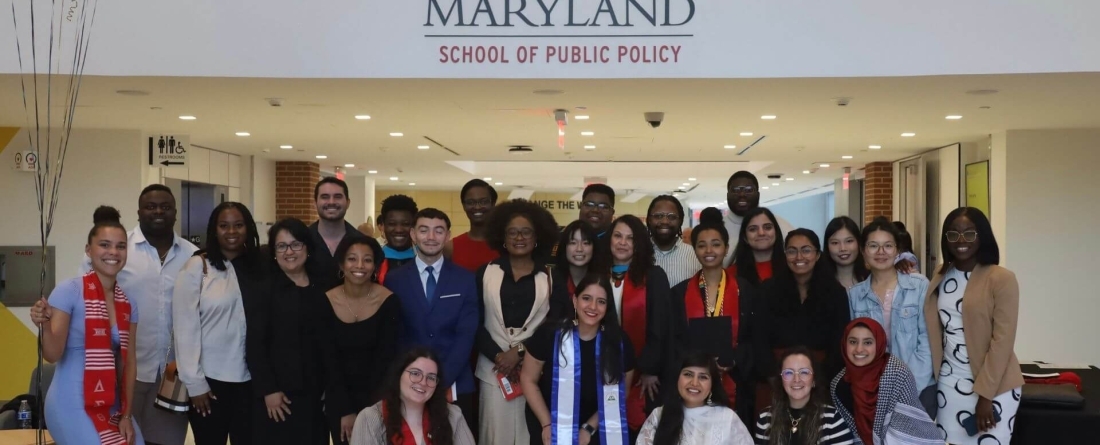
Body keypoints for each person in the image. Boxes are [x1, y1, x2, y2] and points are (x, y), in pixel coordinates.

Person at [79, 185, 196, 445]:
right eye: (150, 206)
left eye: (165, 207)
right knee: (120, 440)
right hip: (121, 369)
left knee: (167, 441)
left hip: (173, 373)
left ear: (175, 213)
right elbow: (85, 295)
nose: (158, 212)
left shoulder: (192, 255)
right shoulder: (119, 250)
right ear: (139, 211)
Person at [32, 206, 144, 445]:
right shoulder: (69, 290)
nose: (113, 252)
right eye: (104, 244)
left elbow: (129, 362)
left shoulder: (129, 303)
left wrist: (126, 414)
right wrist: (42, 324)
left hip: (110, 400)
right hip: (69, 401)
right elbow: (52, 355)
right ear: (88, 250)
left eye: (120, 246)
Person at [925, 207, 1023, 444]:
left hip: (994, 386)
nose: (961, 241)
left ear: (982, 236)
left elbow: (1002, 341)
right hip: (949, 382)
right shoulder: (941, 274)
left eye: (969, 234)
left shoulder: (1001, 278)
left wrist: (985, 396)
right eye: (953, 234)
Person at [474, 199, 564, 445]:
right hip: (493, 369)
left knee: (530, 434)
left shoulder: (551, 275)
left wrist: (520, 352)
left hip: (535, 370)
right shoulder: (486, 272)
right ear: (502, 236)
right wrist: (499, 356)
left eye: (526, 232)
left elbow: (554, 322)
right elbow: (475, 321)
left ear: (537, 237)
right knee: (494, 436)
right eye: (512, 232)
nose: (519, 237)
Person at [173, 202, 261, 445]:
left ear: (248, 228)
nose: (231, 231)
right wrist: (195, 383)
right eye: (224, 226)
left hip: (252, 382)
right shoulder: (197, 267)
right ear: (214, 229)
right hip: (210, 383)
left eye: (238, 225)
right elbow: (184, 329)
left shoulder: (259, 267)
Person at [386, 208, 480, 432]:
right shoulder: (394, 279)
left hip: (456, 383)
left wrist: (438, 380)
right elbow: (395, 335)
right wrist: (417, 379)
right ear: (413, 234)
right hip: (409, 384)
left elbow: (466, 335)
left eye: (438, 231)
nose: (431, 237)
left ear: (447, 235)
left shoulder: (465, 279)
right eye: (424, 230)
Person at [520, 274, 637, 445]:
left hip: (598, 425)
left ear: (607, 307)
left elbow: (621, 393)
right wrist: (547, 423)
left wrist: (589, 428)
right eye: (586, 298)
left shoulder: (619, 342)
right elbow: (528, 379)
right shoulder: (548, 334)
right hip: (549, 422)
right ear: (575, 301)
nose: (593, 307)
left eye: (601, 302)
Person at [245, 218, 329, 444]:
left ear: (307, 248)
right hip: (278, 396)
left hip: (316, 393)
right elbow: (255, 343)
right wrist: (269, 390)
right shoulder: (263, 288)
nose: (289, 251)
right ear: (273, 251)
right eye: (281, 246)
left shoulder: (323, 286)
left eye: (296, 244)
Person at [670, 210, 760, 418]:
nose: (709, 250)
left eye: (716, 244)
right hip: (691, 382)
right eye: (701, 245)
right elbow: (674, 339)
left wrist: (733, 360)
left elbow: (754, 337)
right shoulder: (678, 293)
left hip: (736, 382)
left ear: (726, 248)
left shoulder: (745, 290)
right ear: (695, 249)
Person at [846, 217, 935, 415]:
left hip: (919, 388)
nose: (881, 252)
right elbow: (855, 348)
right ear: (863, 251)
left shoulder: (919, 286)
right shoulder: (855, 295)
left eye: (888, 245)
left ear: (897, 250)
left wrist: (904, 389)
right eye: (873, 246)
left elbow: (927, 342)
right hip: (873, 391)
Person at [321, 235, 404, 444]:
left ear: (376, 266)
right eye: (352, 259)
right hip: (337, 399)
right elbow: (328, 360)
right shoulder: (325, 301)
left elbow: (386, 360)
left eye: (367, 260)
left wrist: (369, 411)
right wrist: (345, 410)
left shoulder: (389, 301)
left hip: (378, 399)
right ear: (341, 264)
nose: (359, 265)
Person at [608, 214, 673, 433]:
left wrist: (649, 369)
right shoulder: (598, 276)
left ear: (638, 244)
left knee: (640, 428)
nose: (622, 242)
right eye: (617, 236)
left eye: (630, 238)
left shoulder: (653, 276)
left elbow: (660, 326)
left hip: (644, 374)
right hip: (605, 367)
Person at [758, 230, 850, 385]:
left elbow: (839, 342)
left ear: (818, 255)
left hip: (821, 379)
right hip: (775, 378)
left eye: (806, 250)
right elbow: (759, 337)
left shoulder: (835, 292)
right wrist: (774, 375)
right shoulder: (768, 290)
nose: (799, 257)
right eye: (792, 251)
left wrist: (818, 378)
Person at [830, 318, 940, 445]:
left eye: (868, 342)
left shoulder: (896, 372)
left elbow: (907, 426)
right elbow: (848, 433)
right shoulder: (838, 384)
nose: (859, 349)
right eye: (853, 342)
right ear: (844, 344)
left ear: (879, 343)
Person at [350, 348, 476, 445]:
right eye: (415, 373)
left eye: (431, 377)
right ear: (399, 375)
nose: (423, 382)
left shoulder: (452, 415)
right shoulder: (370, 419)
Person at [638, 352, 754, 445]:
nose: (694, 383)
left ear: (712, 384)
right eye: (688, 374)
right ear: (677, 378)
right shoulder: (659, 415)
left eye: (703, 377)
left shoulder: (727, 418)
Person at [752, 347, 855, 445]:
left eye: (804, 372)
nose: (796, 379)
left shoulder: (833, 420)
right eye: (789, 372)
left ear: (814, 379)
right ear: (781, 380)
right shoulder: (765, 419)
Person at [723, 171, 794, 267]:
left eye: (749, 190)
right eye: (736, 190)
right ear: (727, 195)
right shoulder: (717, 229)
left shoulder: (781, 226)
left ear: (758, 194)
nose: (742, 194)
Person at [309, 177, 365, 291]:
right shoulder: (302, 240)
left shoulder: (362, 242)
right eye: (325, 197)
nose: (331, 202)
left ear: (348, 202)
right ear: (315, 202)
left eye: (337, 197)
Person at [648, 195, 701, 288]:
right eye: (658, 216)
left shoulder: (696, 257)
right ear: (649, 220)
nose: (664, 221)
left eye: (672, 217)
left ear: (680, 221)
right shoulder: (636, 254)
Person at [449, 179, 501, 272]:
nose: (477, 207)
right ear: (464, 206)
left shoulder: (506, 244)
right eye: (470, 202)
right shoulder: (450, 247)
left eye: (484, 202)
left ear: (493, 204)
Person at [729, 207, 786, 287]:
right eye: (753, 229)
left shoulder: (792, 267)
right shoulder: (730, 275)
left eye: (767, 227)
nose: (761, 233)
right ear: (745, 237)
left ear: (776, 232)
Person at [554, 220, 608, 298]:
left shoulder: (604, 282)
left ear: (594, 247)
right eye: (573, 243)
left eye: (586, 243)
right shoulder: (551, 282)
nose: (579, 249)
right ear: (564, 247)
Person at [376, 194, 419, 284]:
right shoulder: (375, 258)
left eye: (406, 224)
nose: (398, 230)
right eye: (392, 224)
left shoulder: (424, 257)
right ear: (383, 225)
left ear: (414, 226)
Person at [822, 217, 868, 291]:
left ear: (859, 243)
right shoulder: (818, 284)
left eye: (849, 241)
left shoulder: (872, 281)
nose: (843, 248)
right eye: (835, 243)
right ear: (827, 246)